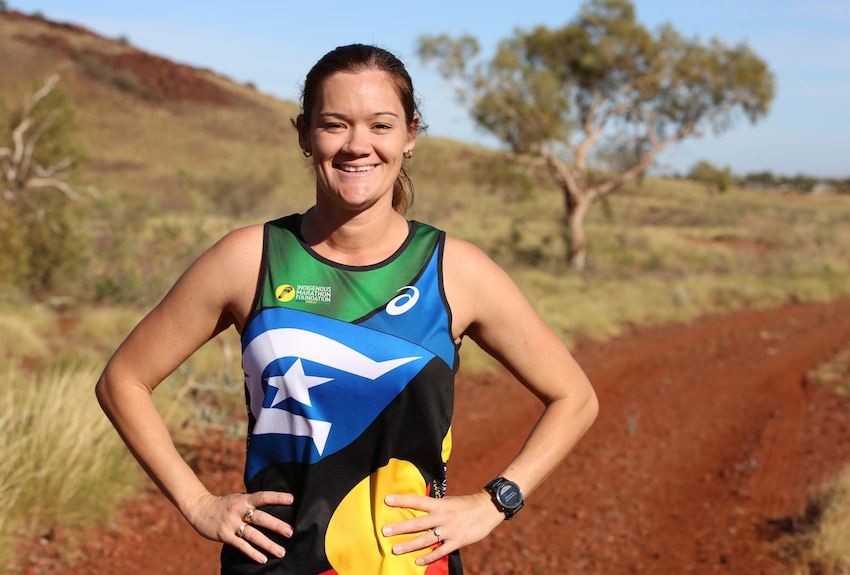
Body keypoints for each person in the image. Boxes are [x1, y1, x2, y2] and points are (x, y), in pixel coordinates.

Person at [96, 43, 598, 574]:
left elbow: (575, 397)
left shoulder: (454, 270)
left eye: (381, 125)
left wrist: (494, 502)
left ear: (410, 136)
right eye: (335, 124)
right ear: (305, 136)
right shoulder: (251, 259)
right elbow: (123, 380)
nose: (358, 146)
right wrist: (196, 503)